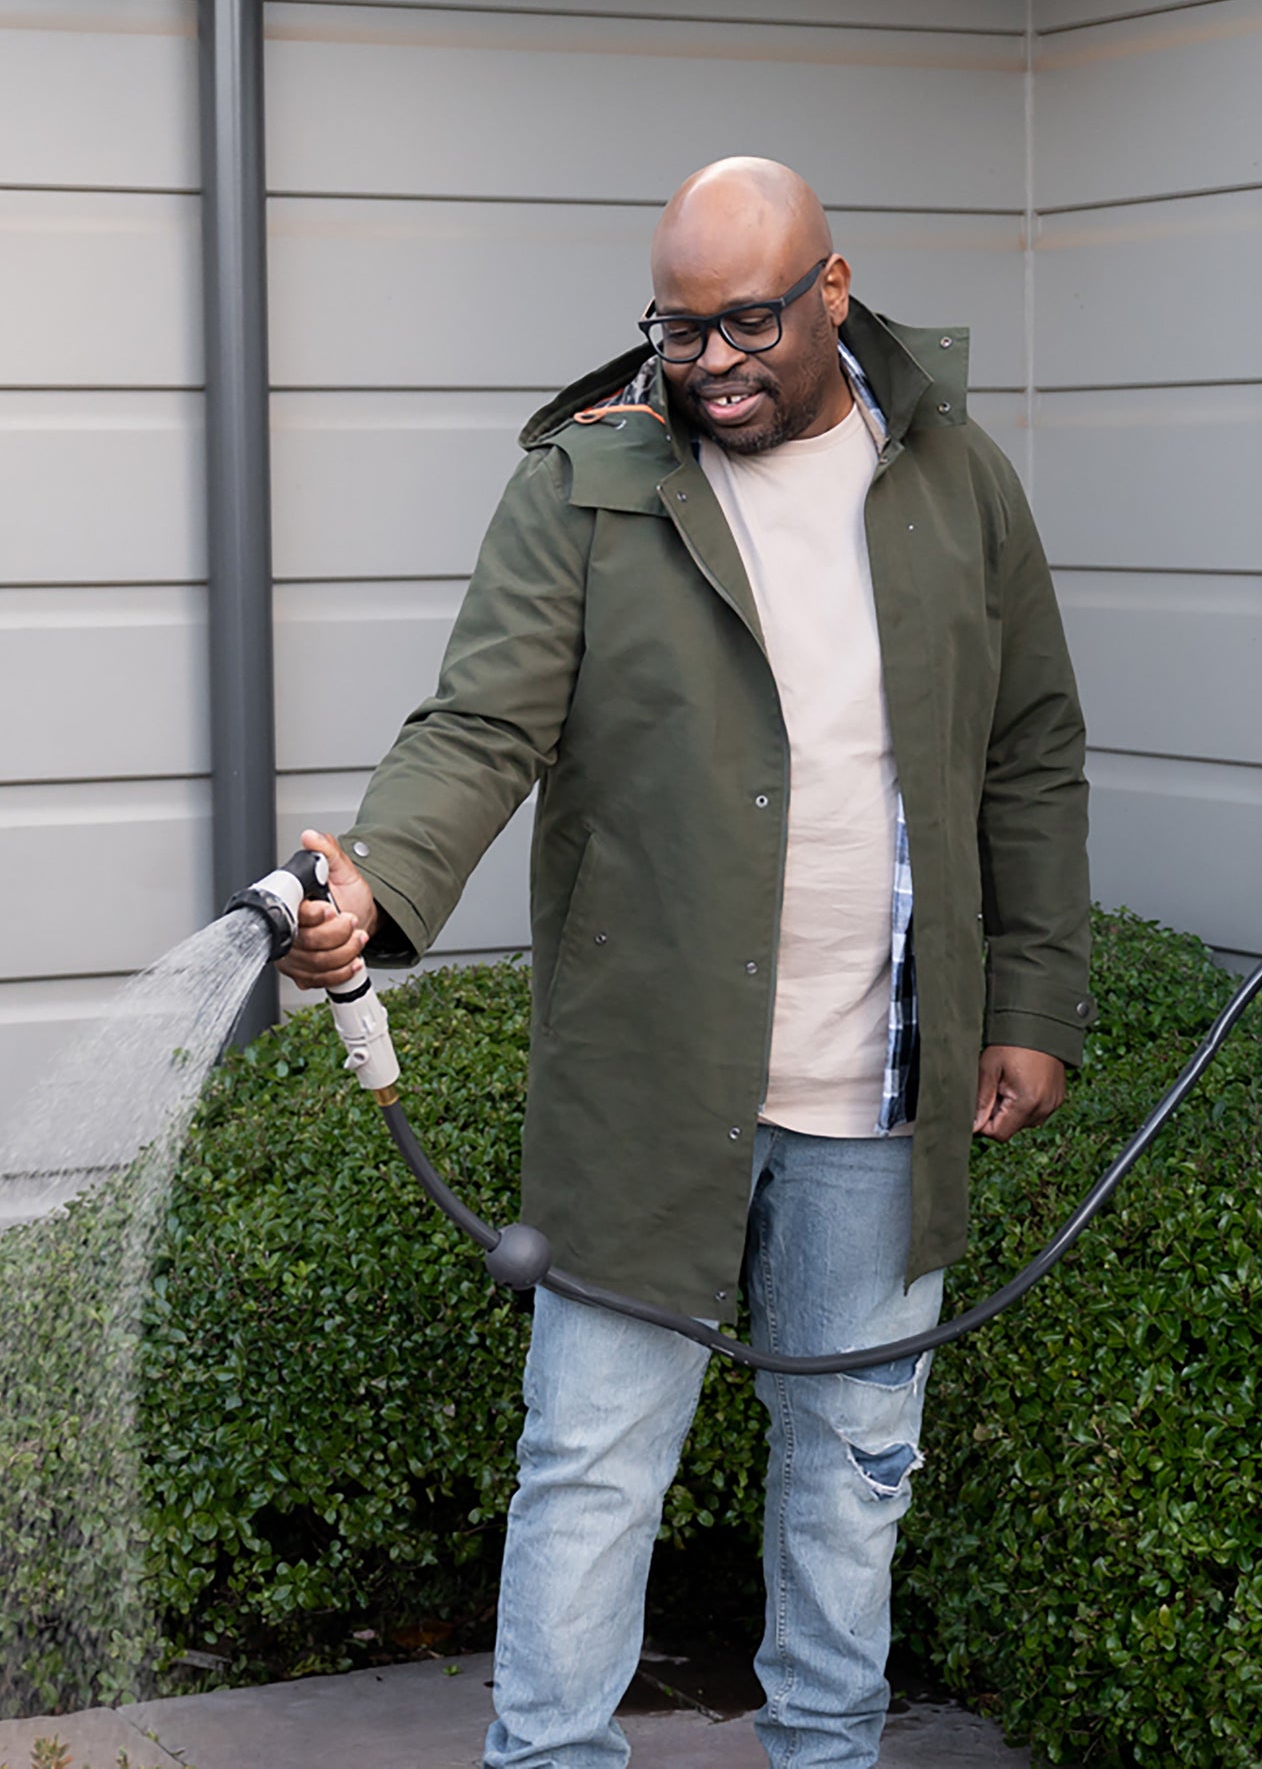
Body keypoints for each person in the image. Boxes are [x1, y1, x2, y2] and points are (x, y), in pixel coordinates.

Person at [277, 156, 1094, 1769]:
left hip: (883, 1072)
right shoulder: (589, 487)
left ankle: (826, 1752)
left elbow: (1030, 749)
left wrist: (1032, 999)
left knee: (854, 1455)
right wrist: (375, 883)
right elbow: (480, 722)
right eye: (677, 328)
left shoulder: (955, 479)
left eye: (746, 324)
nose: (709, 362)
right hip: (651, 1078)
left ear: (832, 292)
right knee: (589, 1459)